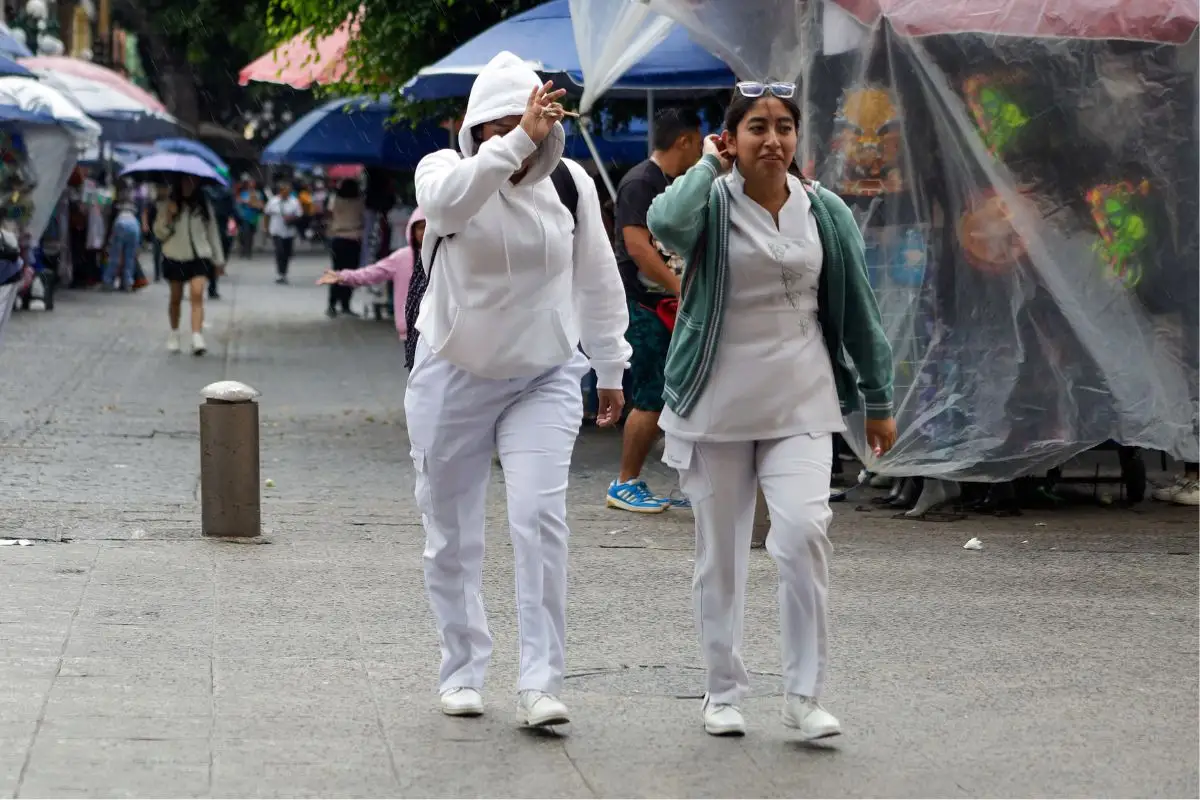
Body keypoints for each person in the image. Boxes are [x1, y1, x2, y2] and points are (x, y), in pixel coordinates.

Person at [646, 82, 897, 739]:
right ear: (732, 137)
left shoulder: (824, 211)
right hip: (717, 407)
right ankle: (722, 692)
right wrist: (707, 166)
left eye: (784, 127)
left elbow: (860, 308)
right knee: (721, 556)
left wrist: (877, 397)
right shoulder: (709, 201)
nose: (773, 140)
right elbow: (663, 225)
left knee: (803, 534)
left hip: (801, 401)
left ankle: (804, 695)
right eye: (757, 126)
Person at [406, 52, 631, 728]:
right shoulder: (443, 172)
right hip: (453, 370)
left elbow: (595, 276)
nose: (515, 135)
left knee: (538, 520)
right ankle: (463, 668)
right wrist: (513, 141)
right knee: (451, 534)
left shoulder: (572, 184)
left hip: (544, 373)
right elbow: (448, 205)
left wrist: (612, 366)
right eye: (495, 125)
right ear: (474, 129)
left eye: (526, 121)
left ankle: (541, 681)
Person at [606, 107, 704, 513]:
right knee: (649, 394)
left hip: (668, 303)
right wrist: (679, 287)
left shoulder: (672, 183)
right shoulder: (641, 182)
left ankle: (694, 485)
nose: (701, 153)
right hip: (643, 306)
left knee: (676, 393)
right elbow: (638, 247)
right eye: (699, 144)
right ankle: (625, 482)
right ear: (683, 141)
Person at [318, 208, 424, 344]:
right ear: (412, 231)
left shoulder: (444, 256)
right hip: (411, 332)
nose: (424, 232)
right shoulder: (402, 258)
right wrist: (343, 276)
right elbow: (372, 273)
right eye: (421, 228)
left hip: (439, 333)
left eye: (429, 227)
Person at [154, 175, 225, 356]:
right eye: (185, 182)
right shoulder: (168, 204)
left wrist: (218, 259)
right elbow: (159, 234)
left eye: (192, 182)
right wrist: (169, 217)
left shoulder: (203, 206)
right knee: (175, 298)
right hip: (175, 255)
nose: (189, 185)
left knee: (197, 294)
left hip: (199, 255)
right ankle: (174, 332)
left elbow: (212, 232)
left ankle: (196, 336)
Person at [324, 178, 366, 317]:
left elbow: (329, 214)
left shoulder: (335, 199)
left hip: (338, 238)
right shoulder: (360, 201)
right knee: (350, 273)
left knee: (336, 272)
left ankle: (331, 305)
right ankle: (345, 304)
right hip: (354, 238)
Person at [103, 189, 141, 291]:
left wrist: (107, 241)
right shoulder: (134, 205)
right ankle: (128, 282)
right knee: (130, 257)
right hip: (134, 225)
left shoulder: (115, 206)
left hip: (120, 224)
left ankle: (108, 281)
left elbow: (110, 224)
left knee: (115, 255)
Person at [264, 180, 302, 284]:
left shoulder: (294, 201)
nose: (286, 193)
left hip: (289, 232)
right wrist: (266, 228)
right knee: (279, 252)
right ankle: (280, 273)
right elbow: (266, 214)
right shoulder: (273, 201)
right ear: (280, 191)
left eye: (288, 191)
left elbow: (299, 215)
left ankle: (284, 273)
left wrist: (291, 218)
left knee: (287, 253)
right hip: (276, 231)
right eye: (284, 191)